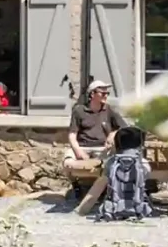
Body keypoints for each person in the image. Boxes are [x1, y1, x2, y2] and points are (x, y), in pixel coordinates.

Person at [66, 79, 125, 211]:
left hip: (102, 148)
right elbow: (72, 135)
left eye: (107, 93)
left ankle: (104, 191)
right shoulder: (79, 111)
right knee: (68, 162)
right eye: (102, 93)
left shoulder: (109, 110)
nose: (105, 95)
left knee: (111, 163)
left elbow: (123, 127)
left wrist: (112, 134)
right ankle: (76, 185)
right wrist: (77, 151)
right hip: (83, 146)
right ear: (92, 94)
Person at [91, 124, 155, 222]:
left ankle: (110, 211)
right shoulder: (142, 163)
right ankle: (138, 210)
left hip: (116, 197)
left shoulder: (112, 162)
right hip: (136, 198)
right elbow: (147, 173)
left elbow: (106, 173)